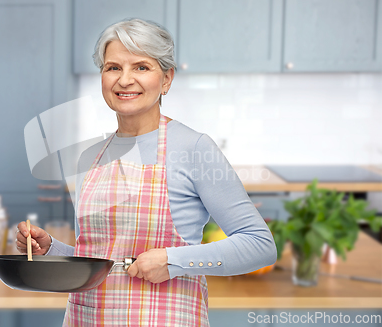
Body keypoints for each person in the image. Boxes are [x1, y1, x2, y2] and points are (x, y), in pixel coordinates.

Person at [17, 18, 277, 326]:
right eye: (113, 67)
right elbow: (103, 258)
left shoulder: (193, 148)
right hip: (87, 318)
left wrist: (174, 261)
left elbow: (260, 245)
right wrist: (51, 249)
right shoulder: (90, 157)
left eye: (141, 67)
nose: (124, 80)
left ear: (166, 79)